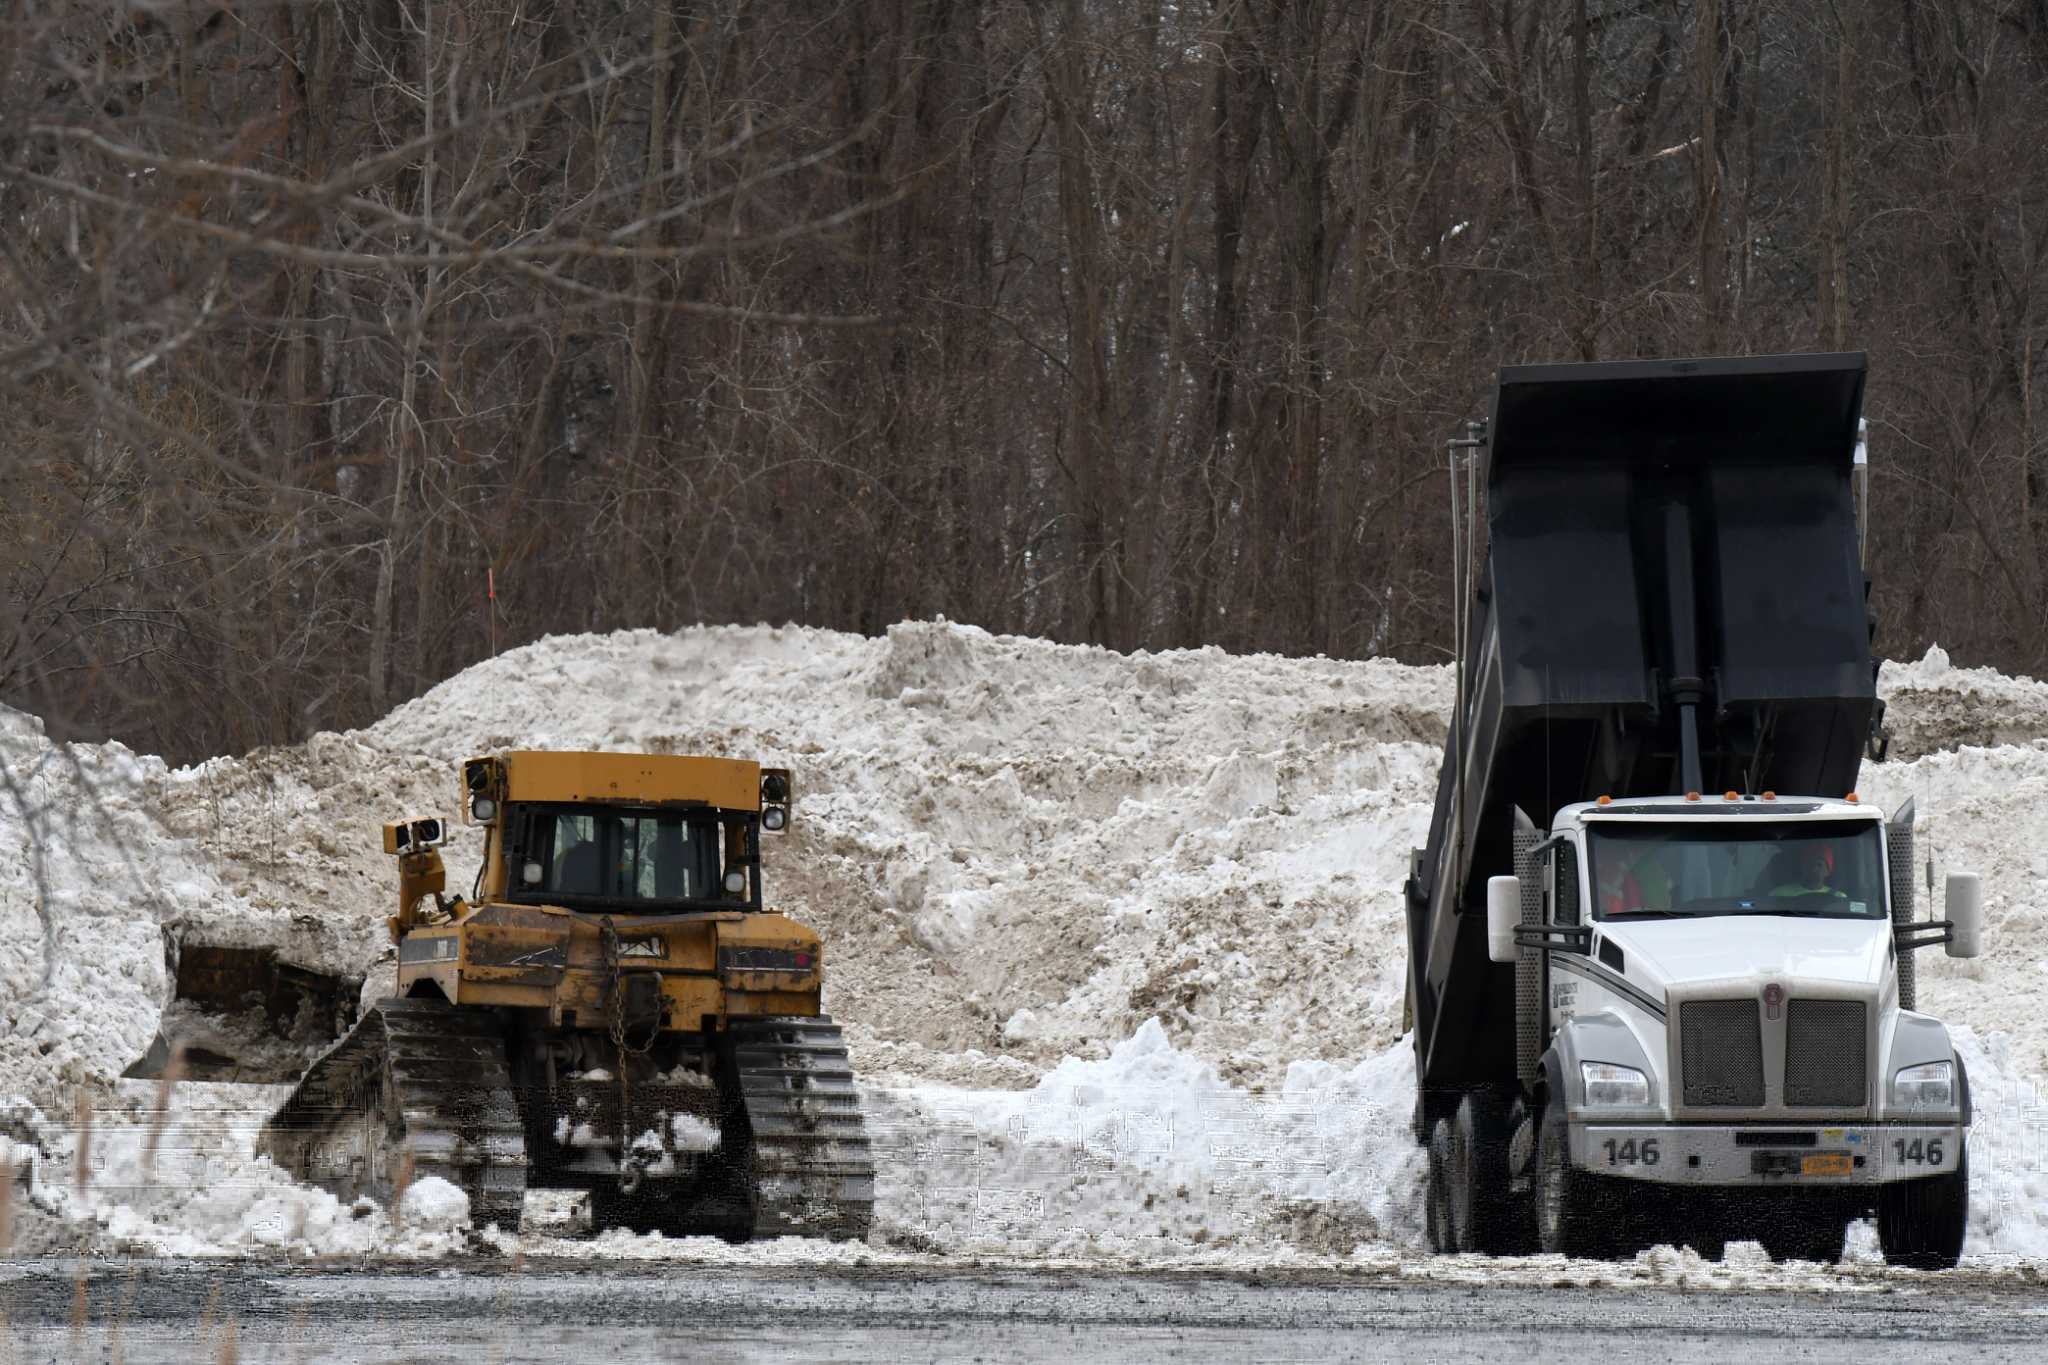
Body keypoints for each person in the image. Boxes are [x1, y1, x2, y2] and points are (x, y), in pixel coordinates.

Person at [1768, 844, 1846, 899]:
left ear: (1828, 871)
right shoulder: (1779, 895)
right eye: (1810, 863)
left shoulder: (1839, 898)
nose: (1813, 868)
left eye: (1819, 865)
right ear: (1803, 866)